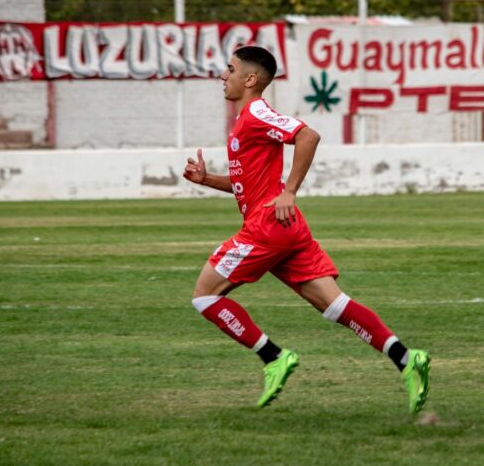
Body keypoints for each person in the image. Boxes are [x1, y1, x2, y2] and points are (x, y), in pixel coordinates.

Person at [182, 45, 431, 414]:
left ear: (250, 79)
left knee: (205, 296)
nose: (223, 75)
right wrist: (207, 180)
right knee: (334, 305)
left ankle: (273, 357)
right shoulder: (246, 120)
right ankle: (407, 359)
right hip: (284, 228)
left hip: (266, 227)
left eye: (230, 69)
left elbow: (308, 136)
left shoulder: (256, 113)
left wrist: (290, 191)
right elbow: (247, 184)